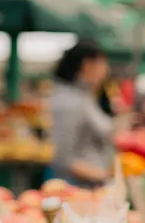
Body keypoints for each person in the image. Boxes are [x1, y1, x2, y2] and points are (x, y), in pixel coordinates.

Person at [50, 40, 116, 187]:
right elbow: (62, 157)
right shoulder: (69, 102)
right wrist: (103, 176)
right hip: (77, 190)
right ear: (87, 64)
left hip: (92, 186)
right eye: (103, 64)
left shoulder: (84, 96)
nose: (106, 71)